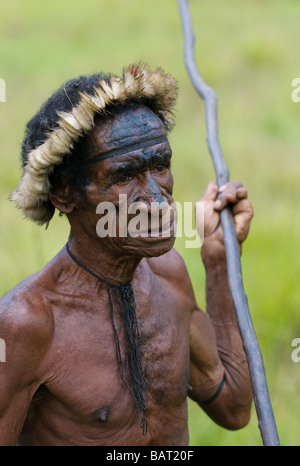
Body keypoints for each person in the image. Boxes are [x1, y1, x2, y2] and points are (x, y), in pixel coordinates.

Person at [0, 64, 253, 446]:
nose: (156, 201)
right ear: (64, 194)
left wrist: (217, 262)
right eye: (123, 176)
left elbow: (233, 407)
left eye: (161, 167)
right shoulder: (27, 326)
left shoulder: (169, 276)